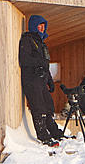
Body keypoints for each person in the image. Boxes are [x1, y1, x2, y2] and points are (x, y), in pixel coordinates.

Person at [18, 14, 63, 145]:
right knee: (39, 108)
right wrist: (40, 62)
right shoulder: (27, 40)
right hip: (31, 79)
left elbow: (45, 64)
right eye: (40, 25)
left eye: (44, 26)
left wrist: (49, 79)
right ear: (34, 26)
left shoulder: (41, 43)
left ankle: (54, 132)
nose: (42, 28)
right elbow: (25, 60)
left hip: (41, 79)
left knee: (49, 106)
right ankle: (43, 135)